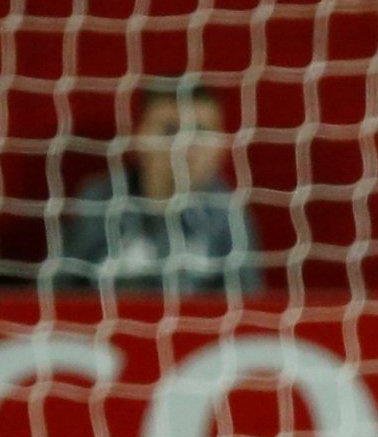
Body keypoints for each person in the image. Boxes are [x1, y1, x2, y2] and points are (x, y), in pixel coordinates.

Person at [53, 81, 258, 297]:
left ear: (221, 147)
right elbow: (58, 292)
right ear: (139, 137)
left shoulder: (227, 210)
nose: (185, 145)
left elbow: (247, 306)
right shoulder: (100, 198)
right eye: (170, 130)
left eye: (201, 130)